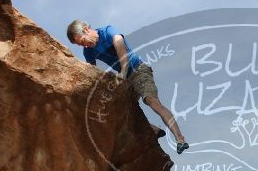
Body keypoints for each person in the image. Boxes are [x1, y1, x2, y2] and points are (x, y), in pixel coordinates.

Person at [66, 20, 190, 154]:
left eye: (82, 40)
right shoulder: (88, 51)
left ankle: (180, 139)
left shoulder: (107, 31)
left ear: (86, 29)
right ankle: (151, 129)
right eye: (80, 45)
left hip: (138, 70)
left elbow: (119, 42)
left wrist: (124, 70)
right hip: (124, 81)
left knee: (152, 101)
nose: (84, 45)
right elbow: (90, 71)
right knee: (115, 110)